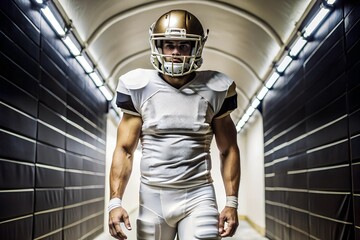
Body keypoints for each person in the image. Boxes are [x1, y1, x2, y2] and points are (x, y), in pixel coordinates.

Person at [108, 9, 241, 240]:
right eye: (169, 45)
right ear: (158, 47)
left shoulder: (215, 87)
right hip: (152, 196)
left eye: (184, 46)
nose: (176, 53)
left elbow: (228, 149)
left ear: (196, 48)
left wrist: (232, 202)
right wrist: (115, 202)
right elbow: (125, 150)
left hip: (199, 194)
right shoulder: (138, 86)